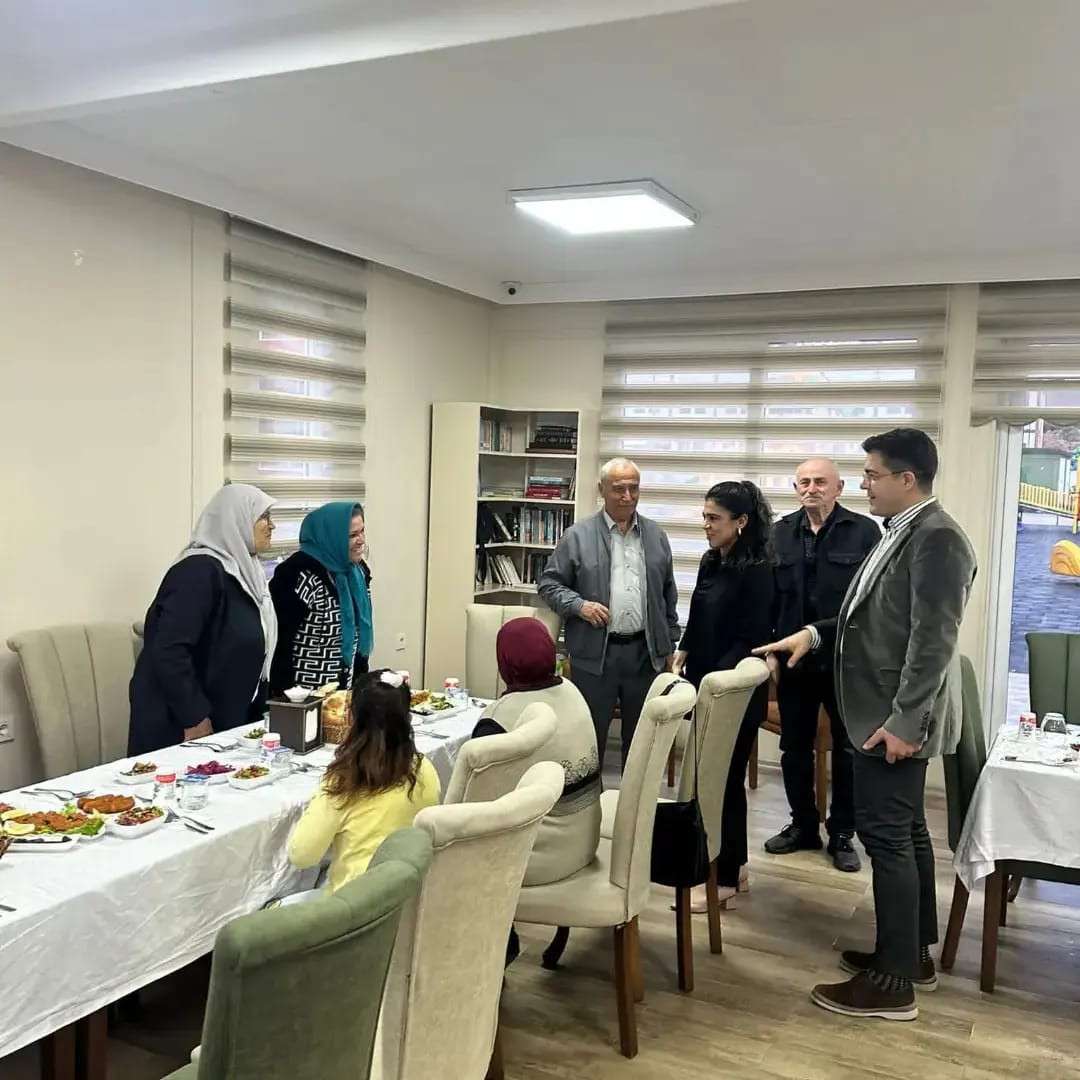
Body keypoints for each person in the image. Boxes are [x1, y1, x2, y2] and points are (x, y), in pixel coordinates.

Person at [753, 428, 976, 1022]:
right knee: (907, 833)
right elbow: (865, 616)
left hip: (893, 721)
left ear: (907, 478)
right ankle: (911, 955)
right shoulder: (902, 531)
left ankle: (892, 984)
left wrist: (905, 722)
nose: (866, 484)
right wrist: (812, 633)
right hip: (883, 713)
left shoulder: (937, 538)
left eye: (873, 474)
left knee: (888, 838)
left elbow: (933, 642)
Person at [764, 458, 881, 873]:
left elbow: (870, 602)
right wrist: (771, 652)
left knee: (848, 750)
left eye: (820, 482)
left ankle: (843, 833)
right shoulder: (779, 532)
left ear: (839, 487)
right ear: (795, 487)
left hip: (844, 661)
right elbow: (770, 599)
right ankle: (803, 825)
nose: (811, 488)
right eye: (804, 482)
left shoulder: (864, 531)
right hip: (794, 662)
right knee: (794, 747)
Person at [672, 480, 775, 910]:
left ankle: (726, 878)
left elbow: (752, 638)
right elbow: (697, 615)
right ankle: (739, 866)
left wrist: (714, 682)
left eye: (714, 518)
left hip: (735, 691)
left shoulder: (759, 569)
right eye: (704, 517)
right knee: (714, 779)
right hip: (705, 682)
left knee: (724, 782)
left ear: (741, 521)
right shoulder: (711, 559)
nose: (706, 525)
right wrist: (683, 651)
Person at [538, 458, 680, 770]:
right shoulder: (577, 536)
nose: (627, 496)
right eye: (618, 489)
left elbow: (668, 595)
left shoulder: (656, 535)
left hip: (645, 655)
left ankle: (634, 801)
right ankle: (590, 800)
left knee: (642, 742)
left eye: (634, 488)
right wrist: (580, 606)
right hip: (594, 656)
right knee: (589, 741)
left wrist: (670, 646)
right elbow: (549, 584)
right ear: (601, 490)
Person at [128, 484, 277, 755]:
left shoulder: (247, 572)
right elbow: (169, 649)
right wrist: (194, 716)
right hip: (183, 725)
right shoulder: (198, 571)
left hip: (226, 720)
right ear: (236, 520)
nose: (272, 526)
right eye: (263, 517)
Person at [286, 669, 440, 897]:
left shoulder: (346, 779)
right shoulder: (424, 768)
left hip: (354, 905)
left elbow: (302, 855)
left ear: (351, 717)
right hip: (410, 896)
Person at [472, 618, 601, 885]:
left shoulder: (499, 718)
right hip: (586, 841)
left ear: (504, 661)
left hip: (534, 859)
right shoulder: (572, 691)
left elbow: (476, 808)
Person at [269, 501, 373, 696]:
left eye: (362, 531)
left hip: (343, 697)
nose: (361, 541)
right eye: (352, 535)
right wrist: (284, 699)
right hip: (302, 697)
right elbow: (280, 643)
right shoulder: (299, 574)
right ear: (331, 537)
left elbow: (359, 638)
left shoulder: (357, 572)